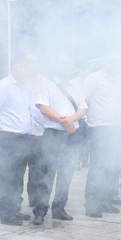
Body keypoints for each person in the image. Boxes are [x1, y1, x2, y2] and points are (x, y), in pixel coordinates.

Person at [0, 54, 48, 225]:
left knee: (17, 177)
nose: (23, 70)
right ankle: (6, 214)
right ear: (12, 68)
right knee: (6, 177)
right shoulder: (4, 85)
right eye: (19, 67)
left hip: (24, 138)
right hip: (7, 138)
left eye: (25, 67)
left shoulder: (25, 86)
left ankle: (15, 209)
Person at [36, 56, 87, 221]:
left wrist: (71, 120)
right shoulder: (46, 84)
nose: (66, 66)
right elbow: (43, 108)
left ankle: (59, 208)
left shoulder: (76, 85)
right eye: (63, 63)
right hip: (53, 134)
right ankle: (40, 211)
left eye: (69, 63)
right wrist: (63, 121)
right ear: (56, 65)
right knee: (47, 174)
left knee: (66, 173)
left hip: (72, 135)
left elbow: (83, 108)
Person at [82, 55, 121, 218]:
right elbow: (84, 100)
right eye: (111, 60)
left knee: (112, 167)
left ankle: (106, 201)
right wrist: (85, 121)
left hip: (116, 128)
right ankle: (92, 204)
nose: (115, 64)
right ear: (103, 62)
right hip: (98, 128)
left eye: (118, 61)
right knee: (98, 167)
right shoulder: (93, 78)